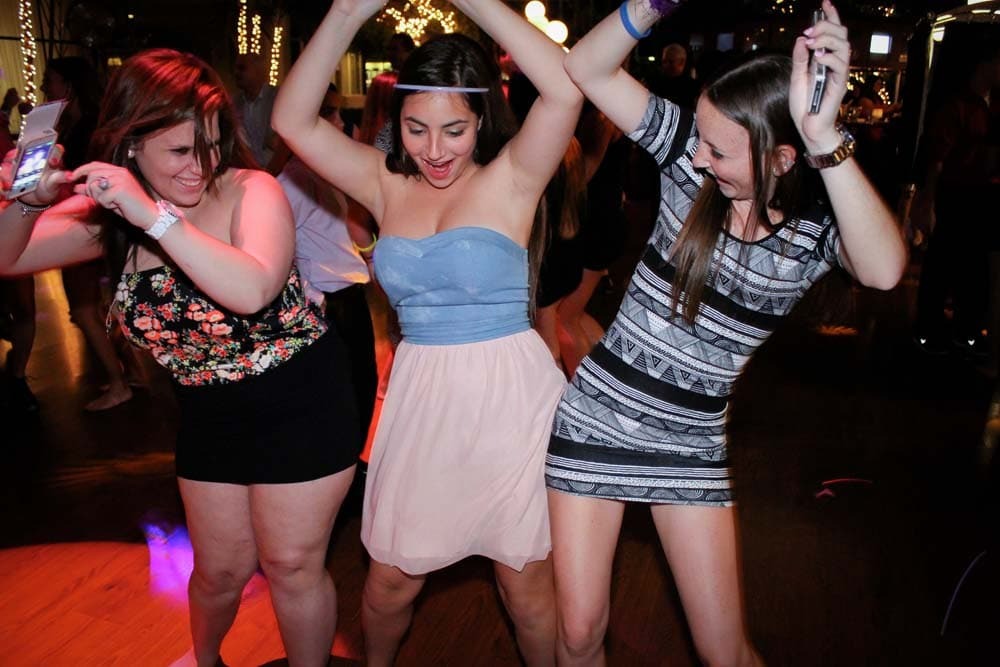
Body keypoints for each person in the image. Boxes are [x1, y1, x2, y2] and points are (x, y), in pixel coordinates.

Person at [547, 1, 907, 664]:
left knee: (725, 651)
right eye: (700, 141)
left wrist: (827, 134)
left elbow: (884, 270)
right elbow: (584, 66)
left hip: (691, 442)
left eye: (719, 148)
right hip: (594, 419)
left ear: (783, 158)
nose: (700, 158)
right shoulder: (689, 163)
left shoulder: (814, 237)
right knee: (577, 634)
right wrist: (648, 6)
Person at [0, 49, 359, 667]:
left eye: (214, 144)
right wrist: (26, 199)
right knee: (219, 571)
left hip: (302, 401)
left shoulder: (255, 189)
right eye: (179, 151)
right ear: (132, 146)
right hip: (209, 413)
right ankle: (206, 659)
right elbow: (7, 259)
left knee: (291, 564)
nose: (201, 167)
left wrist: (153, 214)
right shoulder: (110, 221)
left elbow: (251, 291)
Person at [273, 0, 582, 664]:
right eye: (416, 128)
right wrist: (346, 11)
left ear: (482, 120)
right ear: (396, 121)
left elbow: (562, 87)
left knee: (526, 589)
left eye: (454, 130)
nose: (434, 151)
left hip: (512, 402)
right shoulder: (384, 182)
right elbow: (290, 120)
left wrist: (478, 4)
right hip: (421, 400)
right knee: (388, 582)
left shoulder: (515, 177)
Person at [277, 82, 378, 459]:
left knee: (360, 393)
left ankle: (348, 471)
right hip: (329, 304)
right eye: (331, 114)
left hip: (347, 298)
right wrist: (310, 300)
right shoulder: (294, 180)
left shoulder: (323, 171)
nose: (340, 123)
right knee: (344, 400)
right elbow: (278, 250)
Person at [42, 56, 135, 410]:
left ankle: (118, 383)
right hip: (92, 227)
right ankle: (130, 374)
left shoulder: (88, 130)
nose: (43, 88)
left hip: (84, 226)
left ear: (69, 86)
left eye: (50, 80)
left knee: (83, 309)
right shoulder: (78, 125)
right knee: (103, 307)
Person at [911, 37, 1000, 357]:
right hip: (957, 194)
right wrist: (929, 200)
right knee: (946, 263)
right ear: (985, 65)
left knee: (971, 267)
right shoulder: (959, 107)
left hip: (978, 196)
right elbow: (937, 159)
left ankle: (964, 329)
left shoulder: (988, 105)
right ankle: (931, 329)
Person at [233, 52, 289, 174]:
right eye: (236, 68)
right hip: (250, 176)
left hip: (280, 175)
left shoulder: (278, 98)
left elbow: (286, 144)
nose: (236, 73)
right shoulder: (233, 104)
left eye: (242, 68)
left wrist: (271, 173)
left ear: (259, 71)